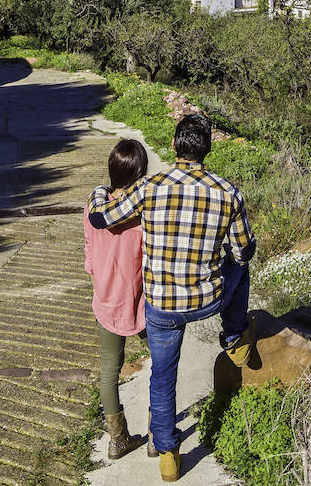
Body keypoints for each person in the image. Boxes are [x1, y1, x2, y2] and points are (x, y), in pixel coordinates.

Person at [88, 114, 255, 483]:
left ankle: (167, 455)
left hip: (162, 304)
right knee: (240, 269)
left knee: (162, 377)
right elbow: (244, 253)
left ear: (176, 147)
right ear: (207, 150)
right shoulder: (229, 192)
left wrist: (99, 191)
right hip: (207, 299)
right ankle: (233, 337)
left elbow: (103, 219)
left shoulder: (150, 187)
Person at [83, 138, 150, 459]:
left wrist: (96, 274)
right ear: (140, 173)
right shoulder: (141, 215)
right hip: (141, 302)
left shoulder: (94, 206)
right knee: (162, 365)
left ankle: (118, 440)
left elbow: (88, 248)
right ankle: (159, 434)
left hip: (106, 299)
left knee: (109, 370)